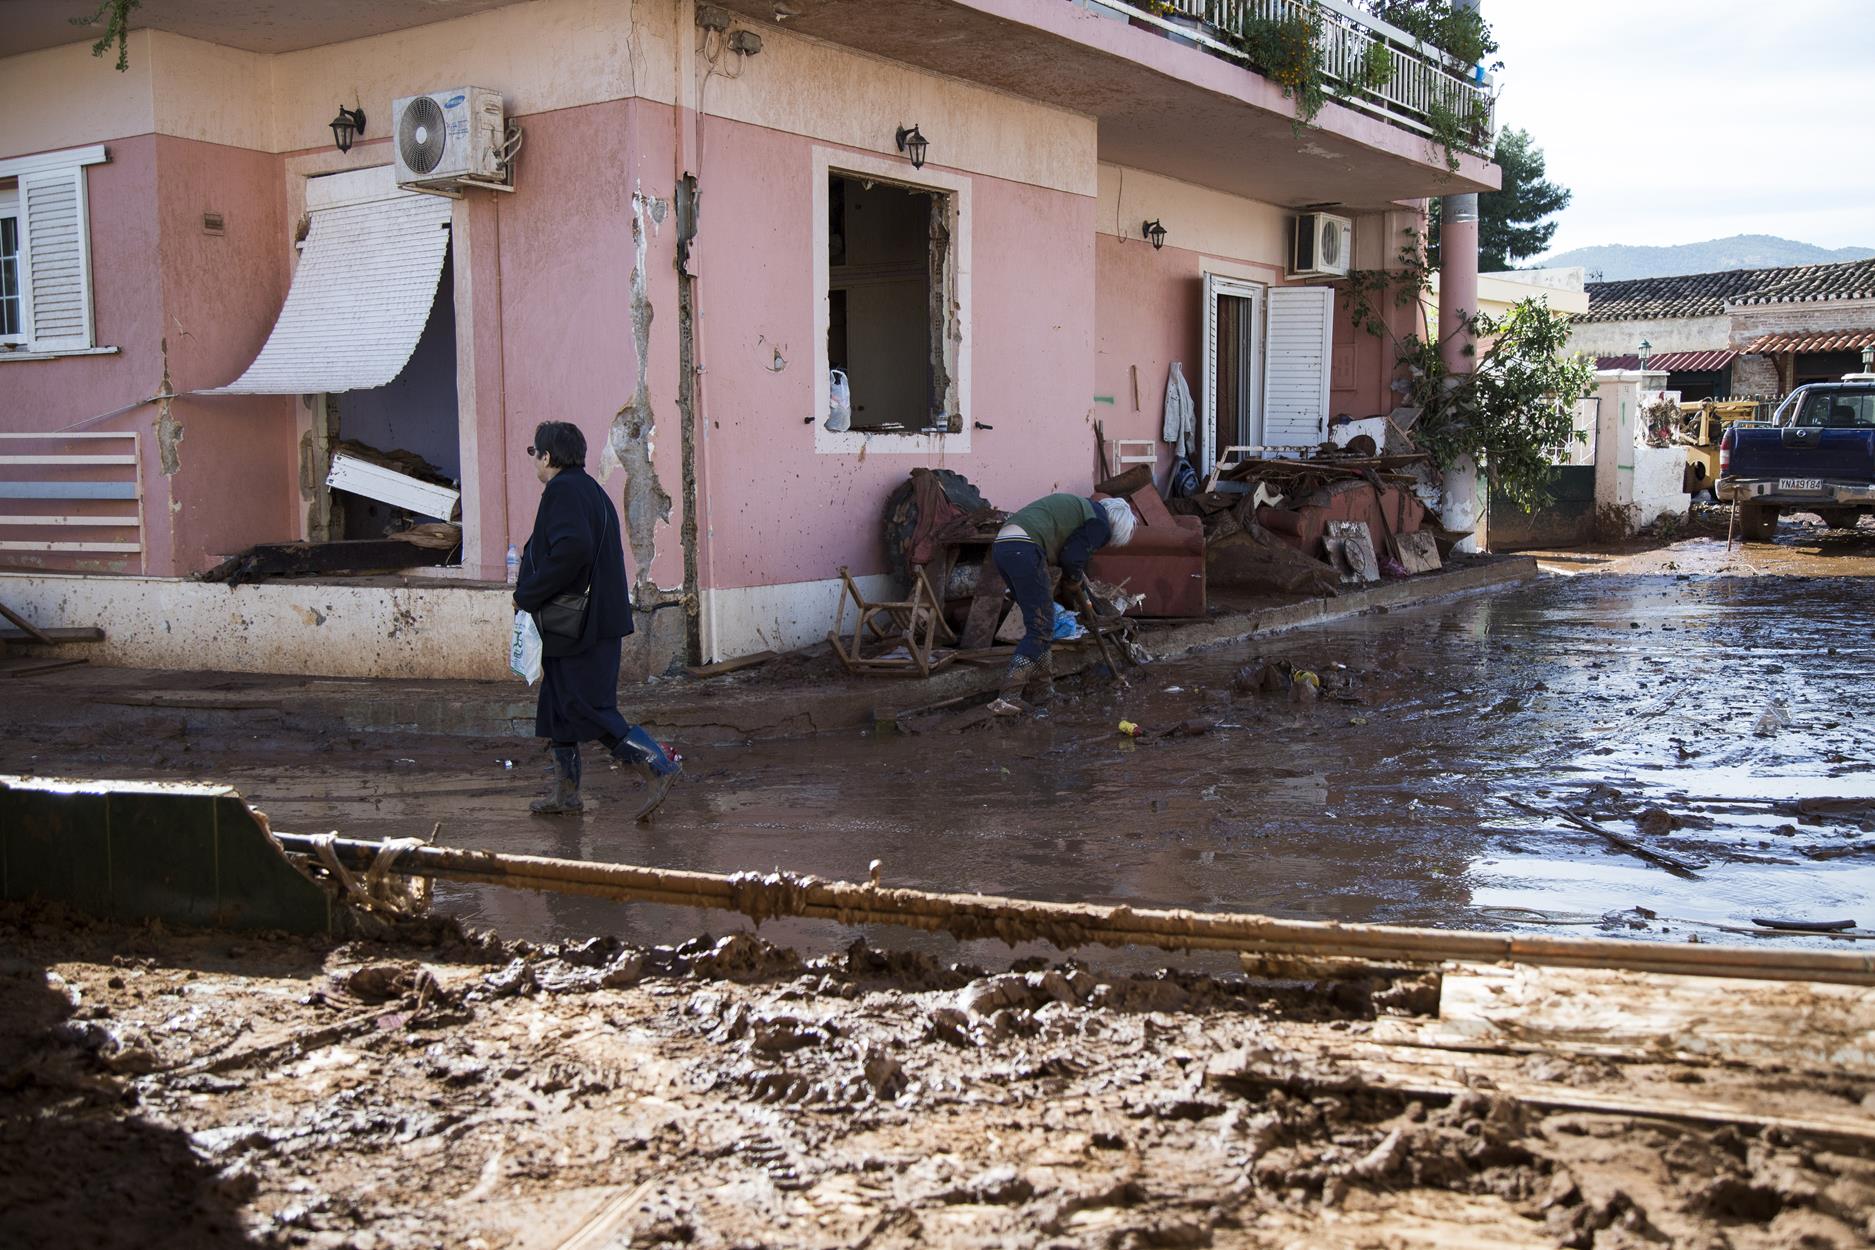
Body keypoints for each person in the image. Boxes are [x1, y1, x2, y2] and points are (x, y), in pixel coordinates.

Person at [512, 420, 682, 820]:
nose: (534, 461)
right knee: (558, 704)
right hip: (585, 622)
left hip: (580, 625)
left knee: (586, 705)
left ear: (547, 456)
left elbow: (572, 549)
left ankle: (657, 765)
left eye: (535, 453)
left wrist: (527, 594)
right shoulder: (588, 490)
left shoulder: (563, 491)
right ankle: (566, 795)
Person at [989, 492, 1136, 713]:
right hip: (1024, 547)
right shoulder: (1100, 523)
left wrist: (1075, 579)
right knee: (1041, 627)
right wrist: (1074, 579)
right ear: (1118, 526)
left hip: (1004, 546)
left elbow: (1070, 554)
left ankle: (1043, 691)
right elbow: (1071, 558)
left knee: (1040, 625)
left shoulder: (1085, 510)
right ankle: (1008, 696)